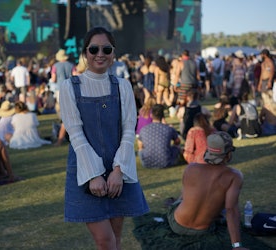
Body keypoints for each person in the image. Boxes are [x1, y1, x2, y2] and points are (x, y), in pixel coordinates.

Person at [59, 27, 149, 249]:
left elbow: (129, 130)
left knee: (116, 237)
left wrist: (118, 171)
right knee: (105, 240)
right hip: (85, 170)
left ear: (113, 53)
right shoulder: (69, 86)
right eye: (94, 49)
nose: (100, 53)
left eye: (106, 49)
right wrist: (94, 175)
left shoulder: (123, 86)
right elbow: (76, 134)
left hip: (119, 169)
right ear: (85, 53)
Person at [167, 131, 248, 250]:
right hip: (202, 230)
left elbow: (185, 195)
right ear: (228, 154)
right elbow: (231, 210)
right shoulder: (234, 176)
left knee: (182, 198)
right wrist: (237, 245)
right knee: (224, 211)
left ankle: (174, 204)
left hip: (177, 224)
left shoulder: (191, 168)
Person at [138, 104, 181, 169]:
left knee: (141, 150)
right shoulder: (169, 129)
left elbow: (140, 146)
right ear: (163, 116)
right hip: (167, 162)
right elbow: (177, 141)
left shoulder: (144, 129)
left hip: (147, 163)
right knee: (177, 147)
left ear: (151, 115)